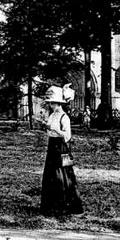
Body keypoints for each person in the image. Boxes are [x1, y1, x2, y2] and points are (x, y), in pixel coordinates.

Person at [40, 85, 83, 216]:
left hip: (62, 147)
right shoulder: (53, 115)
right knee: (51, 174)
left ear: (59, 103)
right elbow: (50, 132)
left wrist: (54, 129)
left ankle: (66, 205)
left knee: (63, 174)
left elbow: (67, 135)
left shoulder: (64, 117)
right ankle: (51, 206)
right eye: (50, 103)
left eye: (53, 103)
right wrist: (46, 127)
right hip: (52, 145)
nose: (51, 105)